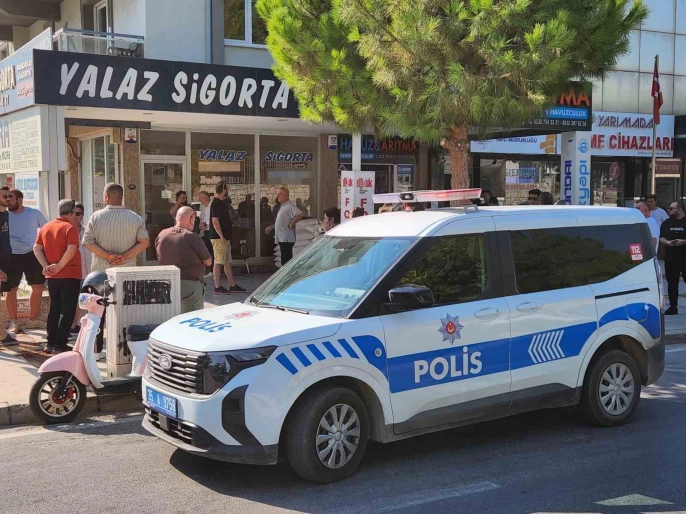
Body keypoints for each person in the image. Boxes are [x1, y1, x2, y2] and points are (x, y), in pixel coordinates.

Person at [82, 183, 150, 355]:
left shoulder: (96, 217)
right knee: (125, 310)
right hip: (126, 273)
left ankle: (97, 351)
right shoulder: (135, 218)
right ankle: (125, 350)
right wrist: (124, 256)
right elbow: (144, 242)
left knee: (98, 310)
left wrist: (108, 256)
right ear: (121, 197)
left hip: (100, 273)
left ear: (106, 197)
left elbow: (87, 242)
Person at [33, 199, 82, 354]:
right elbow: (72, 249)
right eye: (76, 213)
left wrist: (46, 267)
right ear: (72, 213)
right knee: (67, 310)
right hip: (70, 274)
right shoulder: (70, 228)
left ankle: (50, 342)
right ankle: (60, 344)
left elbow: (36, 248)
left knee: (55, 308)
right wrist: (59, 266)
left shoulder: (46, 227)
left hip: (52, 276)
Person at [5, 189, 48, 335]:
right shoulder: (4, 215)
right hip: (11, 255)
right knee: (11, 289)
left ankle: (33, 319)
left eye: (11, 198)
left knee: (38, 287)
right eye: (6, 198)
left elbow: (47, 230)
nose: (8, 201)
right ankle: (14, 321)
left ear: (20, 200)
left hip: (32, 254)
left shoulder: (34, 213)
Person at [156, 206, 212, 313]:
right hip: (190, 285)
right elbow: (208, 261)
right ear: (191, 219)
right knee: (191, 318)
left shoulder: (162, 234)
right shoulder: (192, 237)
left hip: (166, 284)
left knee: (170, 318)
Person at [209, 181, 245, 295]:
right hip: (219, 238)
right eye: (227, 189)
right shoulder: (216, 203)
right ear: (224, 190)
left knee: (227, 262)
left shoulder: (221, 203)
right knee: (218, 261)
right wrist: (221, 236)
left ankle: (232, 285)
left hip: (224, 237)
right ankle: (217, 287)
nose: (228, 191)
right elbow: (215, 221)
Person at [265, 186, 304, 266]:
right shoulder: (283, 206)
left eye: (280, 194)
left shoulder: (290, 206)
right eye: (278, 194)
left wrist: (292, 223)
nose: (278, 196)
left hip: (286, 237)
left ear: (286, 195)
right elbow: (281, 221)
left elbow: (300, 214)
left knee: (286, 260)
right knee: (284, 259)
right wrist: (272, 227)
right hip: (282, 237)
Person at [659, 200, 686, 315]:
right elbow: (661, 237)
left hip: (684, 257)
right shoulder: (667, 223)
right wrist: (668, 243)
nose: (669, 210)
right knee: (672, 282)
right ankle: (673, 306)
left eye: (671, 208)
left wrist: (683, 241)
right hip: (671, 257)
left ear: (679, 209)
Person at [0, 186, 18, 345]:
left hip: (5, 264)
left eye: (10, 196)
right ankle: (2, 335)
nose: (8, 198)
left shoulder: (5, 214)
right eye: (4, 196)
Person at [70, 202, 91, 336]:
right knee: (70, 299)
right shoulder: (65, 230)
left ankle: (75, 324)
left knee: (81, 298)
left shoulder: (88, 230)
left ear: (82, 215)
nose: (75, 216)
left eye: (78, 214)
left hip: (86, 271)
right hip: (70, 271)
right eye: (72, 213)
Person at [198, 191, 214, 278]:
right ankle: (208, 270)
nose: (199, 200)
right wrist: (201, 224)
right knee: (207, 251)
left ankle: (213, 271)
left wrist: (206, 224)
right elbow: (203, 219)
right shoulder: (204, 208)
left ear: (205, 197)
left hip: (212, 231)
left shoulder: (213, 206)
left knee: (212, 251)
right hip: (206, 231)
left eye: (200, 198)